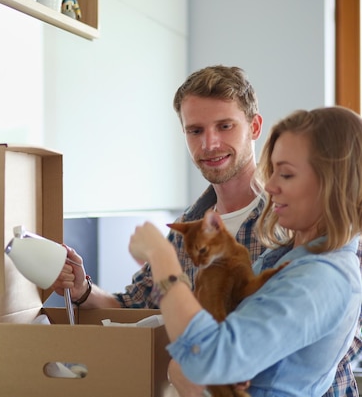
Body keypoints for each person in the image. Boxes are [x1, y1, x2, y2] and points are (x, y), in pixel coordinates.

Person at [52, 65, 362, 396]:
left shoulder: (302, 224)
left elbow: (342, 324)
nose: (210, 143)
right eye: (195, 131)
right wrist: (82, 288)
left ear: (254, 127)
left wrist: (247, 357)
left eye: (225, 126)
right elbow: (137, 307)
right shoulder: (189, 227)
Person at [128, 106, 362, 396]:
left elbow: (207, 360)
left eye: (286, 174)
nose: (272, 186)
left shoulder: (322, 278)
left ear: (333, 184)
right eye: (273, 171)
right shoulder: (285, 257)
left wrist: (162, 257)